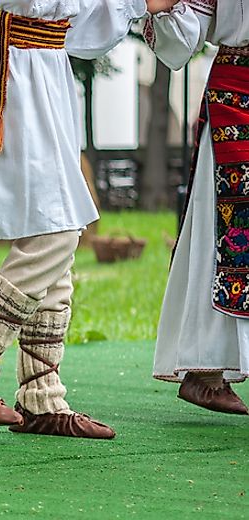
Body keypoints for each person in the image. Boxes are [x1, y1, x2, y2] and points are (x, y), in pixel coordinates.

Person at [0, 0, 146, 439]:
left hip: (47, 74)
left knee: (57, 230)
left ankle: (41, 394)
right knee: (57, 231)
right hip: (10, 77)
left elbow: (83, 24)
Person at [146, 0, 249, 414]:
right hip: (238, 94)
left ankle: (206, 370)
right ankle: (205, 369)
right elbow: (185, 30)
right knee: (224, 229)